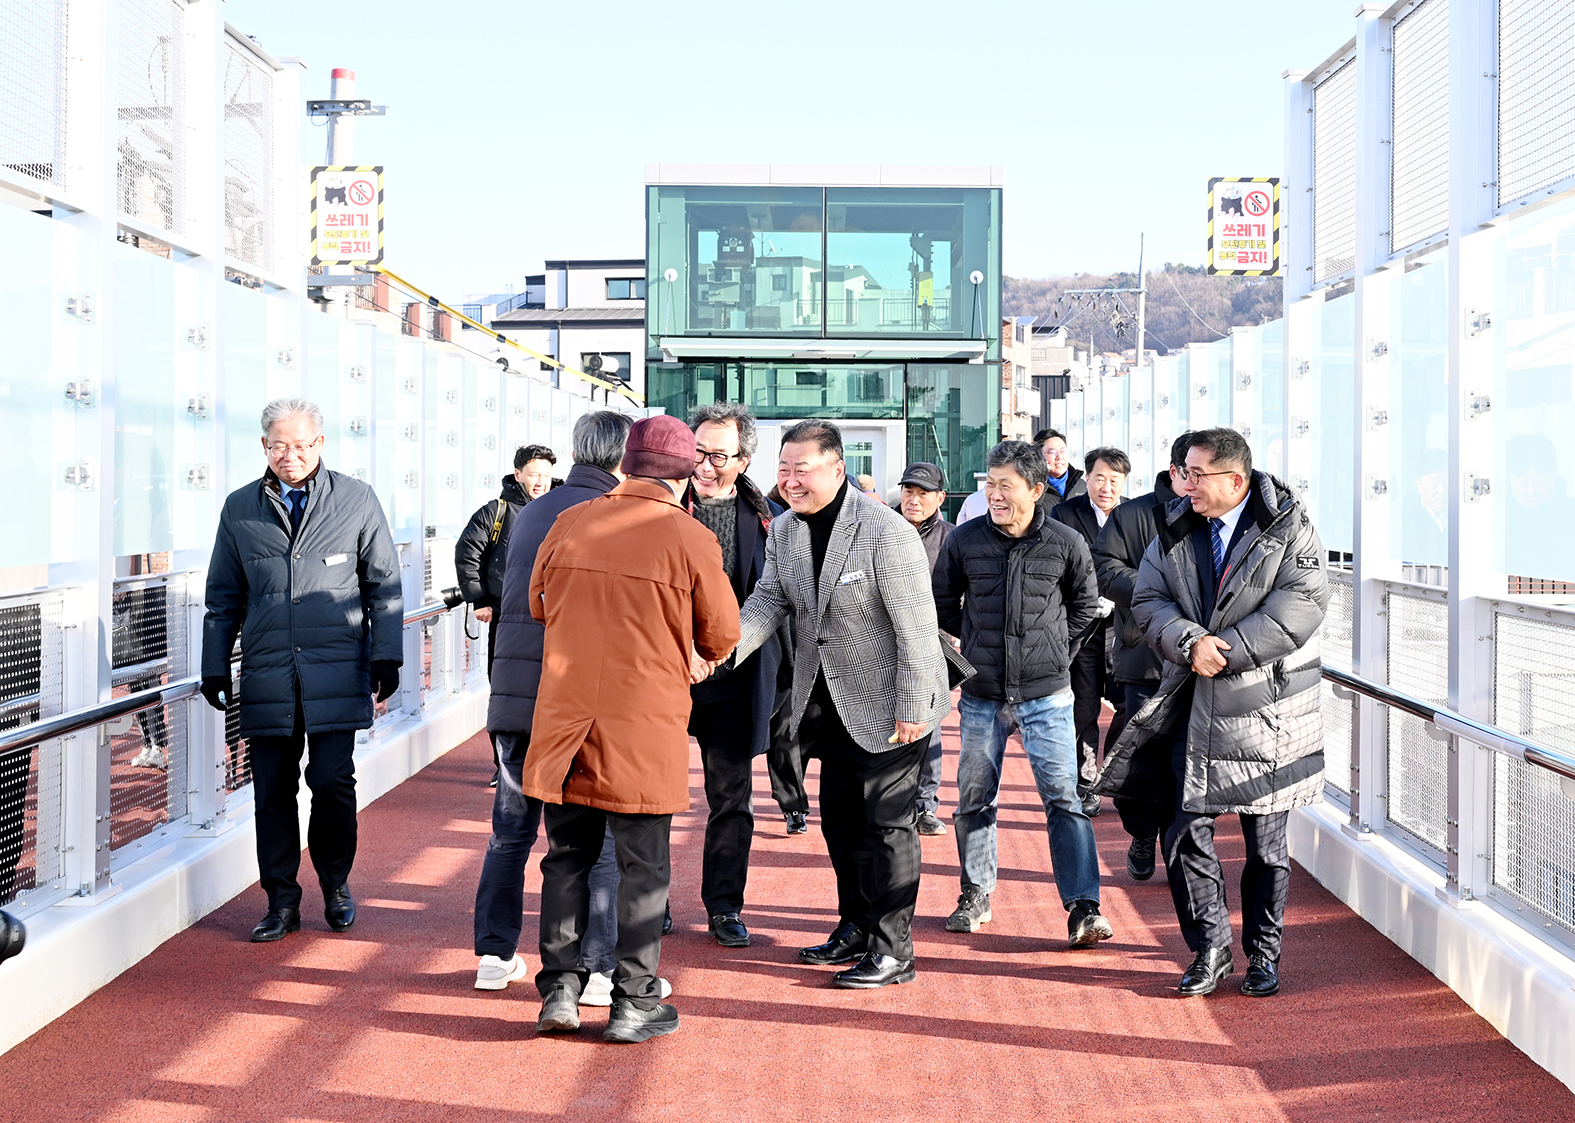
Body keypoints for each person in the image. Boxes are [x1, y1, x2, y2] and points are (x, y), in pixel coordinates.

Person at [521, 415, 739, 1044]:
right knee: (643, 868)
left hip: (565, 722)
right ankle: (634, 1001)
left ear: (627, 462)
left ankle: (559, 992)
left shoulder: (570, 521)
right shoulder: (690, 537)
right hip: (642, 725)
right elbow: (722, 634)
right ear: (686, 470)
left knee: (566, 858)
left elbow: (538, 605)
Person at [1096, 427, 1329, 1000]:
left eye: (1198, 474)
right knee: (1184, 832)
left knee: (1265, 846)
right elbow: (1148, 599)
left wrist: (1219, 652)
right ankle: (1211, 949)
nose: (1186, 482)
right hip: (1191, 706)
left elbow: (1302, 604)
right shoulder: (1175, 527)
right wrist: (1188, 643)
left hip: (1266, 711)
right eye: (1183, 471)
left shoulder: (1288, 526)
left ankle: (1264, 955)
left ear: (1236, 480)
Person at [733, 420, 950, 990]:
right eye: (782, 469)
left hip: (892, 704)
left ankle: (893, 949)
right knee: (842, 823)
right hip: (825, 704)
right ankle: (854, 927)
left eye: (800, 469)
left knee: (887, 826)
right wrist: (719, 650)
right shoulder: (782, 530)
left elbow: (917, 629)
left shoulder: (886, 530)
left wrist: (912, 702)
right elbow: (770, 599)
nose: (789, 480)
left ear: (836, 466)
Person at [201, 398, 402, 943]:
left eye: (299, 444)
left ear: (319, 443)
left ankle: (335, 885)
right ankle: (281, 901)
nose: (288, 455)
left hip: (337, 669)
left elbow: (383, 586)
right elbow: (222, 597)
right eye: (276, 445)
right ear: (263, 447)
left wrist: (388, 655)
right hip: (268, 673)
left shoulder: (357, 500)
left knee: (332, 782)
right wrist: (214, 666)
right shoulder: (240, 508)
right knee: (271, 790)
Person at [474, 411, 633, 997]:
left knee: (509, 834)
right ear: (624, 458)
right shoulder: (614, 513)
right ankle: (598, 967)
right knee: (597, 839)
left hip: (514, 697)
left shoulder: (534, 509)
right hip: (578, 701)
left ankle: (494, 955)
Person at [932, 440, 1112, 946]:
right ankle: (975, 893)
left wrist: (1055, 652)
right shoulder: (964, 540)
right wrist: (973, 647)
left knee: (1064, 799)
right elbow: (942, 604)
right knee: (973, 799)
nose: (994, 494)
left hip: (1048, 695)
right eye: (989, 484)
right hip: (982, 694)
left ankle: (1083, 908)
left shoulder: (1066, 542)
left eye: (1005, 486)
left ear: (1036, 489)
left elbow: (1085, 607)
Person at [682, 402, 789, 949]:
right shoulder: (661, 505)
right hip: (663, 675)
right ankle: (646, 899)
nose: (703, 465)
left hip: (735, 675)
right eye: (697, 451)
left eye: (718, 456)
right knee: (644, 793)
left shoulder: (772, 519)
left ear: (743, 460)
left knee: (730, 797)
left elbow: (776, 602)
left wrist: (719, 653)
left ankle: (724, 906)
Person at [1091, 433, 1192, 881]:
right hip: (1145, 657)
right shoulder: (1133, 515)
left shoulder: (1223, 516)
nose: (1199, 481)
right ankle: (1141, 832)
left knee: (1188, 756)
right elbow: (1103, 567)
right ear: (1175, 471)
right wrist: (1156, 594)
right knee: (1143, 751)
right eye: (1194, 472)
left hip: (1201, 662)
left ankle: (1180, 843)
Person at [1051, 446, 1130, 817]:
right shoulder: (1065, 514)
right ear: (1087, 478)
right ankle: (1085, 783)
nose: (1107, 487)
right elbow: (1055, 566)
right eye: (1100, 478)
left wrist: (1119, 598)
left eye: (1115, 480)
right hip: (1080, 628)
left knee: (1130, 704)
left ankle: (1113, 770)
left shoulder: (1135, 514)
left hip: (1125, 629)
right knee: (1082, 707)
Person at [893, 461, 952, 837]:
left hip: (932, 644)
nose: (914, 500)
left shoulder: (952, 537)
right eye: (909, 491)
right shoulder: (880, 527)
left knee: (928, 724)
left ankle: (925, 805)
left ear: (940, 498)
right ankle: (892, 803)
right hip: (883, 641)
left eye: (923, 493)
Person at [455, 445, 549, 678]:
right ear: (518, 475)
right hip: (504, 611)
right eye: (534, 475)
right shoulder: (496, 511)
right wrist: (478, 600)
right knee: (503, 677)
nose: (541, 482)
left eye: (546, 475)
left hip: (549, 612)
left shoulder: (558, 509)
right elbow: (467, 553)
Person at [1035, 428, 1087, 501]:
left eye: (1063, 451)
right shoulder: (1032, 488)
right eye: (1052, 452)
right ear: (1039, 455)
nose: (1059, 457)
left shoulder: (1082, 486)